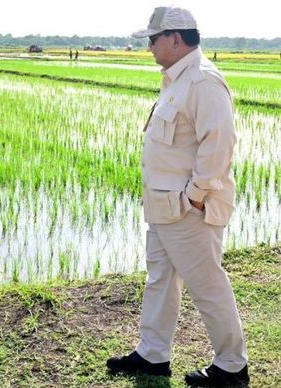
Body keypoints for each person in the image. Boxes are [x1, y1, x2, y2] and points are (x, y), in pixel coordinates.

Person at [106, 6, 249, 387]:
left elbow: (218, 146)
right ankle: (153, 355)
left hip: (188, 210)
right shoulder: (176, 81)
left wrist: (196, 197)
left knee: (207, 285)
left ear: (176, 38)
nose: (149, 47)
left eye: (153, 40)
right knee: (160, 280)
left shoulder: (203, 82)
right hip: (163, 207)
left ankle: (233, 365)